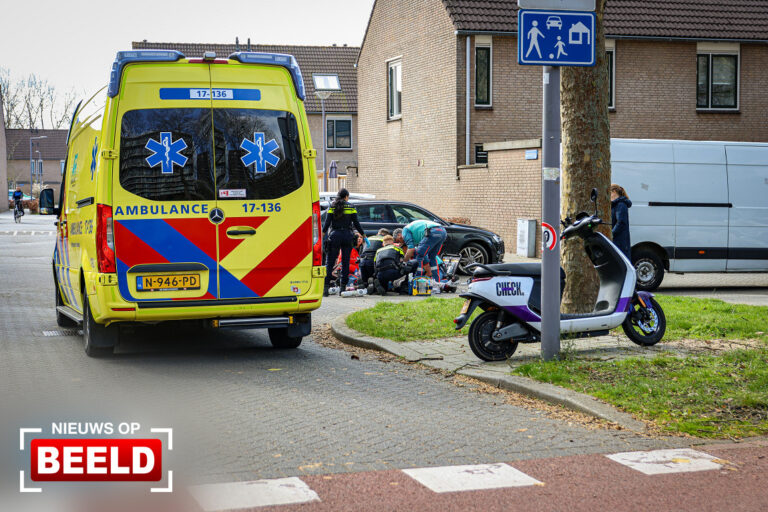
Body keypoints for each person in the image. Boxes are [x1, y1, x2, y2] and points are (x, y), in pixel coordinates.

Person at [322, 189, 367, 296]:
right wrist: (363, 235)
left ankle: (326, 288)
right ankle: (342, 287)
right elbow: (356, 223)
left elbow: (327, 223)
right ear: (346, 196)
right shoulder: (351, 207)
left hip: (335, 235)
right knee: (345, 262)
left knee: (330, 261)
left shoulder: (332, 207)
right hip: (347, 235)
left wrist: (322, 235)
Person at [610, 184, 632, 259]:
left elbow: (621, 222)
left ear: (614, 191)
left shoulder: (621, 205)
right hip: (617, 241)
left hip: (619, 242)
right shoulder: (615, 205)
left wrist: (611, 234)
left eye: (609, 193)